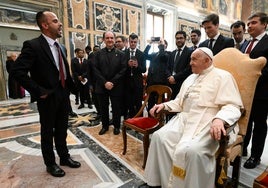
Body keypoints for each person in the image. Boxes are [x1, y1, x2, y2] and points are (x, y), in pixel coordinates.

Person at [140, 47, 243, 188]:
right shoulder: (190, 78)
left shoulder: (223, 76)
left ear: (207, 60)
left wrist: (220, 119)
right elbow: (179, 102)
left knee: (193, 151)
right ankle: (159, 182)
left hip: (209, 122)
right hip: (185, 119)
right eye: (190, 59)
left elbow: (233, 106)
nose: (190, 63)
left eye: (194, 59)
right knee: (159, 138)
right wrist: (164, 106)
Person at [10, 11, 81, 177]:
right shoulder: (33, 45)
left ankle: (64, 157)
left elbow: (64, 72)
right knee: (47, 132)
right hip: (47, 97)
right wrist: (37, 91)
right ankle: (50, 164)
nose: (60, 24)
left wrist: (76, 90)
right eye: (56, 21)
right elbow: (17, 72)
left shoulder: (61, 46)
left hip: (63, 96)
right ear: (45, 25)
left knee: (63, 129)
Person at [242, 12, 268, 169]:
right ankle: (242, 149)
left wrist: (254, 76)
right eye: (249, 23)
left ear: (264, 24)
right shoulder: (246, 43)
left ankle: (255, 156)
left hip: (262, 92)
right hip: (245, 91)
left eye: (254, 23)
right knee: (245, 122)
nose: (249, 25)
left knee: (259, 124)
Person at [92, 31, 127, 135]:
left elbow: (123, 69)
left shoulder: (121, 54)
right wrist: (104, 82)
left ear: (114, 39)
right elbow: (95, 69)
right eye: (107, 38)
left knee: (116, 108)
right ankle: (105, 126)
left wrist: (111, 82)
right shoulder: (97, 54)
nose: (110, 40)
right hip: (101, 86)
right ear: (103, 40)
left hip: (116, 86)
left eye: (111, 38)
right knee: (103, 108)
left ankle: (116, 126)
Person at [144, 38, 170, 111]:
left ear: (166, 46)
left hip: (160, 82)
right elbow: (145, 55)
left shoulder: (168, 54)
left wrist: (162, 46)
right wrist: (150, 44)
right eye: (159, 43)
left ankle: (159, 120)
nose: (159, 44)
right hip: (151, 82)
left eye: (161, 43)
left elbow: (162, 56)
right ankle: (150, 120)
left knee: (159, 103)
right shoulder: (154, 54)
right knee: (150, 102)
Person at [124, 33, 146, 118]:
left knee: (138, 102)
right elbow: (120, 68)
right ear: (128, 42)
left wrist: (137, 66)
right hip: (127, 82)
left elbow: (144, 69)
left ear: (137, 42)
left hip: (137, 82)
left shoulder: (141, 54)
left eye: (135, 42)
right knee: (129, 102)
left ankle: (139, 120)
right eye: (131, 42)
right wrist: (127, 65)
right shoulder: (124, 53)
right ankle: (131, 120)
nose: (133, 43)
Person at [167, 30, 192, 99]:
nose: (179, 40)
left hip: (182, 83)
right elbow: (168, 67)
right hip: (171, 84)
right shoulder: (172, 53)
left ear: (185, 39)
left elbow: (188, 69)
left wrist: (175, 77)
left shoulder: (190, 52)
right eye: (177, 38)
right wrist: (170, 77)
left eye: (181, 38)